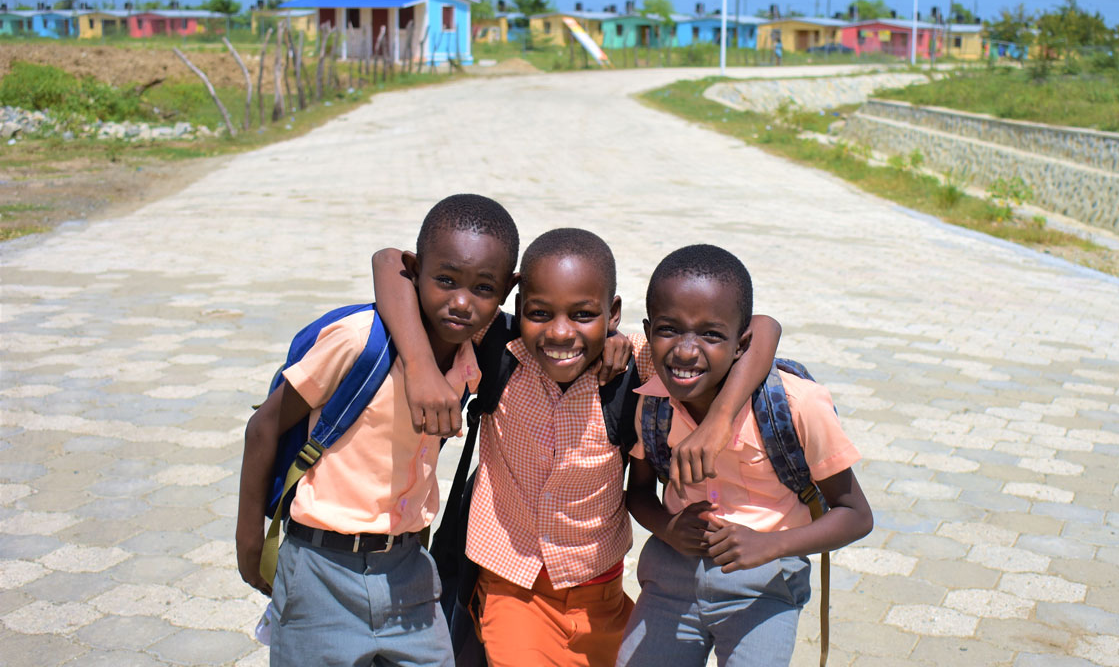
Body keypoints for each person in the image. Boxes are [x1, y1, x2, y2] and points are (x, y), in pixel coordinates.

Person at [373, 227, 781, 667]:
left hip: (600, 595)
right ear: (518, 309)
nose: (561, 332)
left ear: (614, 314)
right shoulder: (500, 348)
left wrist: (719, 422)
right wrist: (419, 367)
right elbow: (388, 261)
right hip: (511, 588)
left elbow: (763, 327)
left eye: (583, 314)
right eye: (540, 313)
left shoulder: (637, 363)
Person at [235, 194, 521, 667]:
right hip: (318, 571)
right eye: (445, 280)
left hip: (410, 571)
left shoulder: (474, 355)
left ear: (506, 290)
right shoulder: (358, 341)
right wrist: (250, 541)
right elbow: (262, 429)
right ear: (417, 269)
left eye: (483, 289)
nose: (462, 302)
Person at [618, 244, 874, 667]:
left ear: (741, 344)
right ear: (648, 331)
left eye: (711, 335)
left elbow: (856, 514)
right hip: (670, 577)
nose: (685, 350)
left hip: (767, 586)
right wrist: (668, 528)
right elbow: (639, 492)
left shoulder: (796, 405)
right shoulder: (655, 402)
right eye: (669, 330)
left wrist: (771, 545)